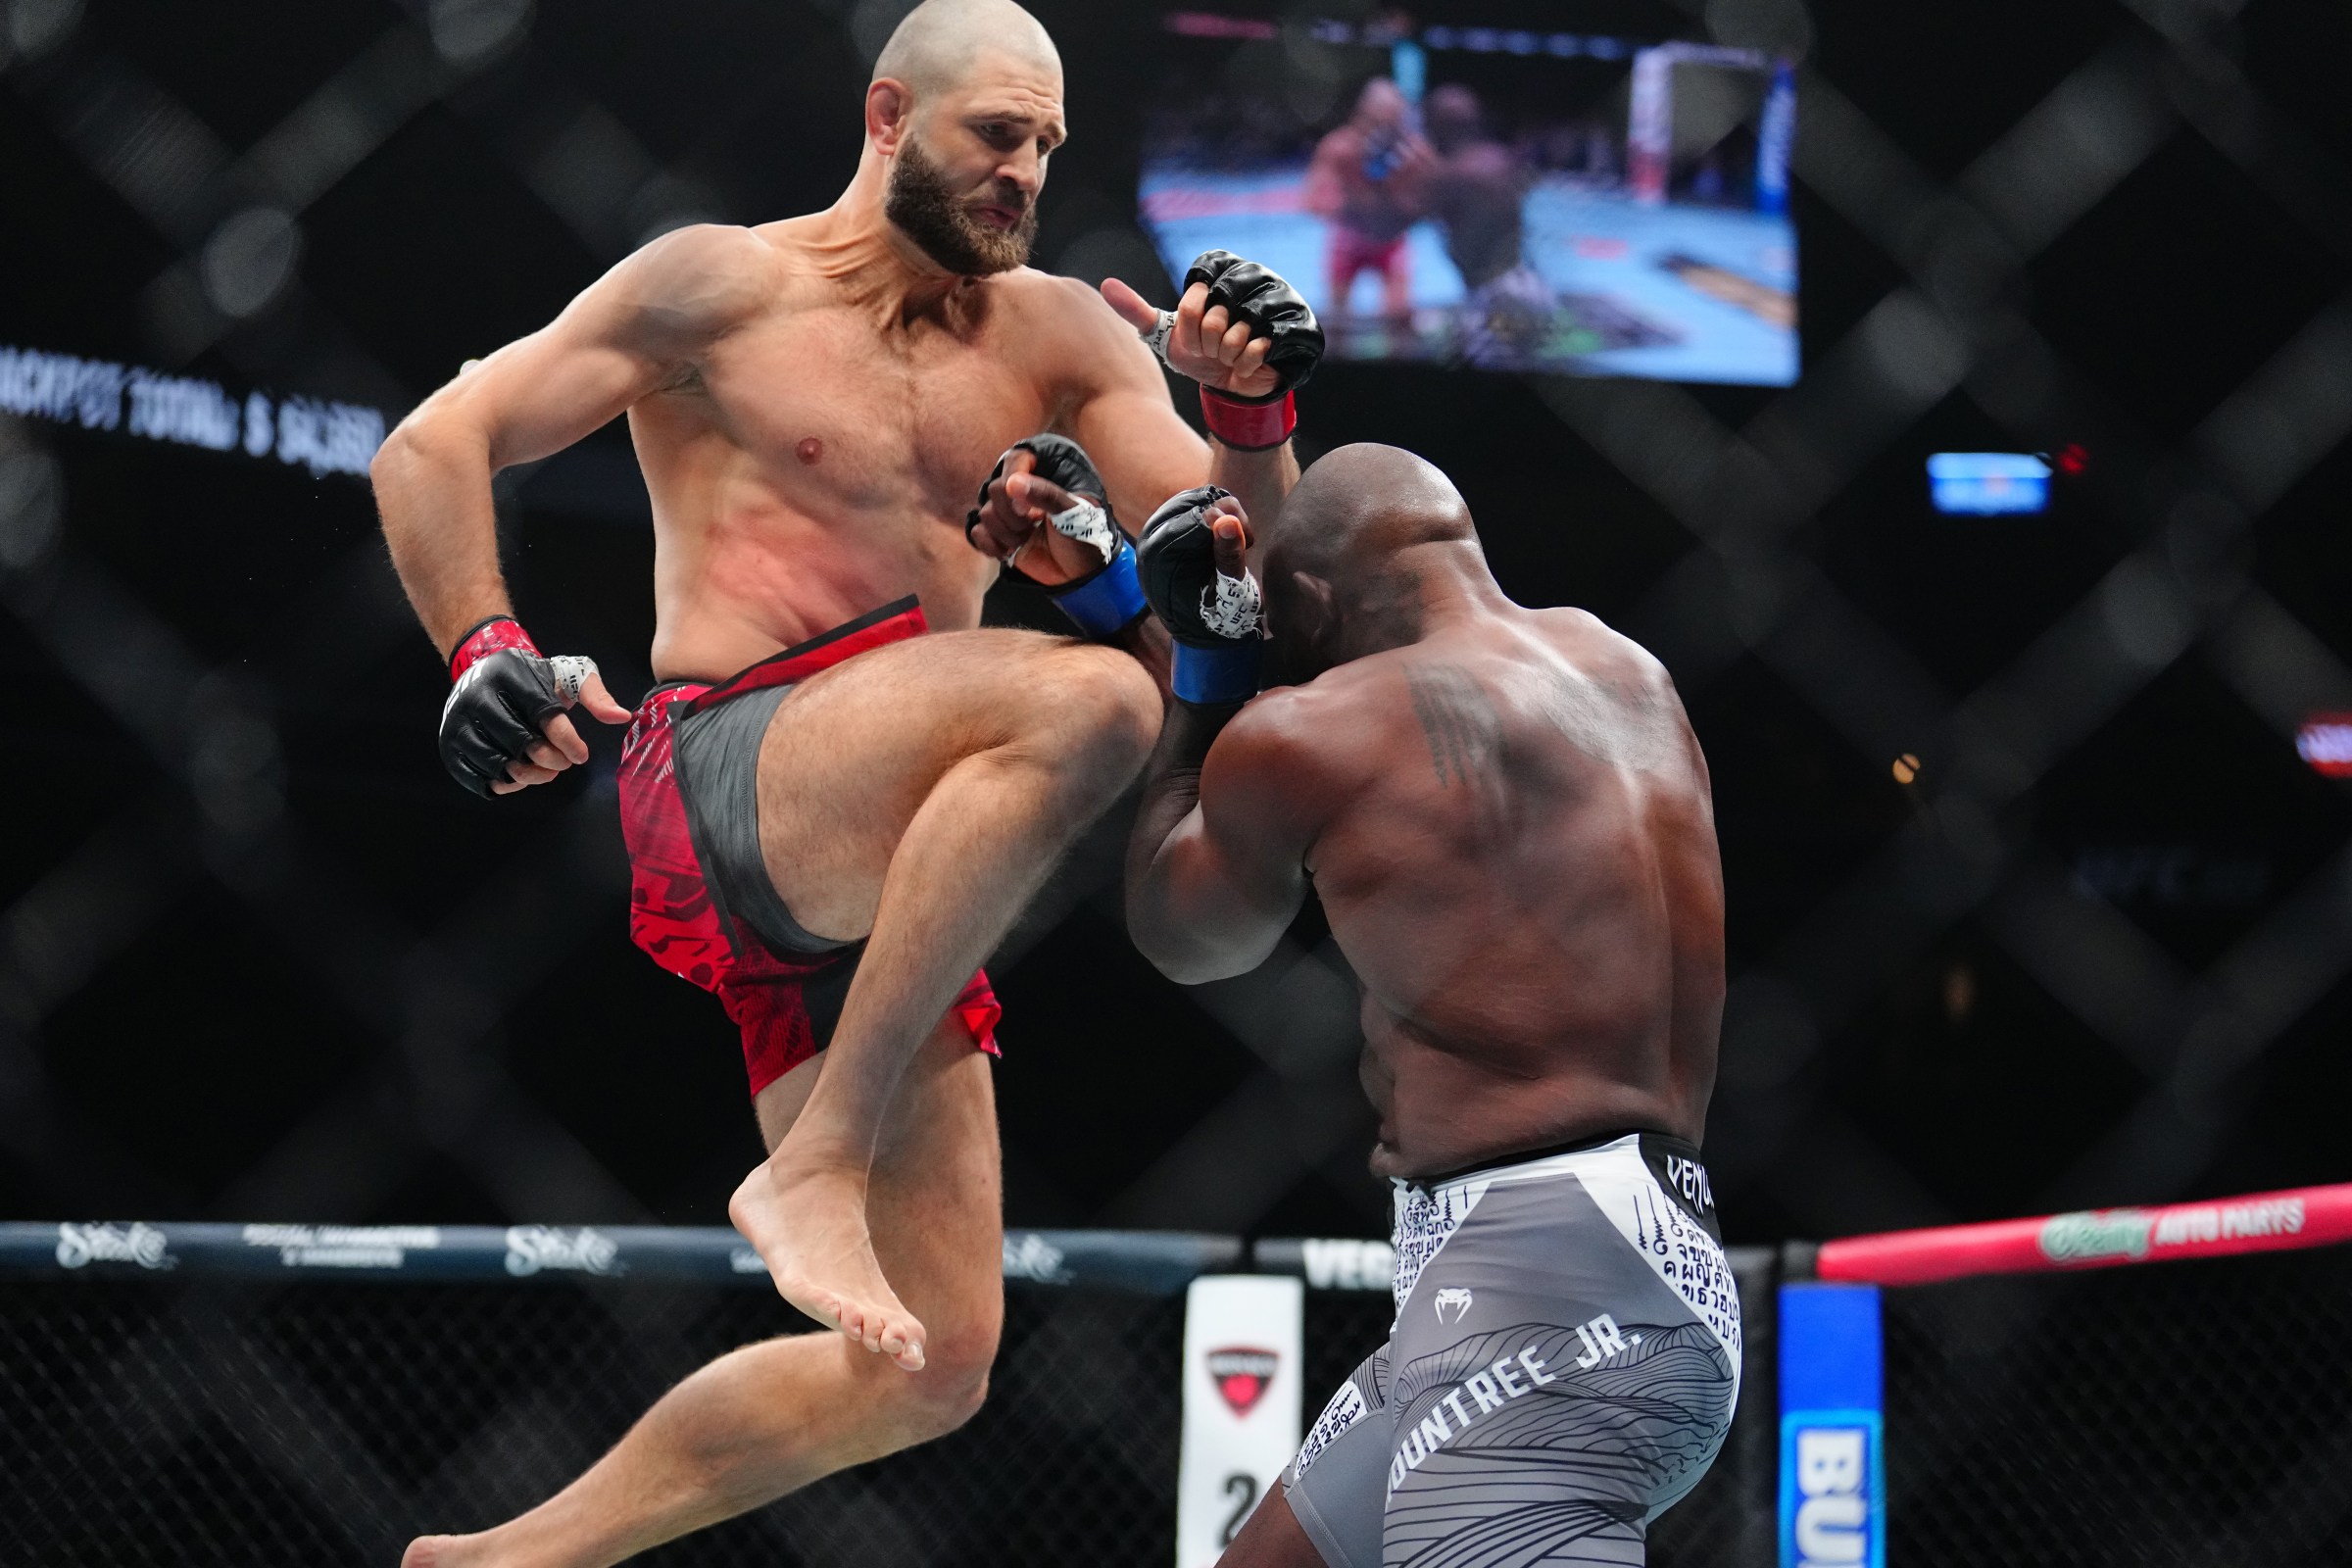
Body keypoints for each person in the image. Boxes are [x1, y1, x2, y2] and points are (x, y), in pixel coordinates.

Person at [370, 0, 1318, 1557]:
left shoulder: (1061, 336)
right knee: (1088, 700)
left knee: (931, 1366)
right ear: (890, 118)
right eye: (995, 137)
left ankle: (499, 1561)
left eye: (1048, 147)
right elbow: (435, 439)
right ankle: (814, 1167)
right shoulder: (720, 283)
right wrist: (485, 646)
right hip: (732, 760)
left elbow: (1234, 577)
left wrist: (1252, 418)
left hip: (895, 865)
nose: (1026, 175)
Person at [1124, 446, 1738, 1568]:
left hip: (1538, 1295)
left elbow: (1186, 932)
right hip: (1632, 1267)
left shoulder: (1316, 731)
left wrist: (1205, 684)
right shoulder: (1630, 672)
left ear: (1306, 602)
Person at [1420, 84, 1552, 368]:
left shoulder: (1450, 175)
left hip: (1499, 300)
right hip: (1527, 288)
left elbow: (1394, 222)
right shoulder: (1502, 160)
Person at [1302, 77, 1433, 328]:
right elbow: (1312, 201)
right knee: (1336, 323)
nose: (1385, 130)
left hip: (1391, 241)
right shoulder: (1339, 148)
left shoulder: (1414, 152)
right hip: (1349, 240)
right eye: (1379, 122)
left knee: (1400, 319)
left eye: (1394, 122)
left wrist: (1405, 204)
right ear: (1362, 117)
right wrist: (1352, 208)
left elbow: (1435, 201)